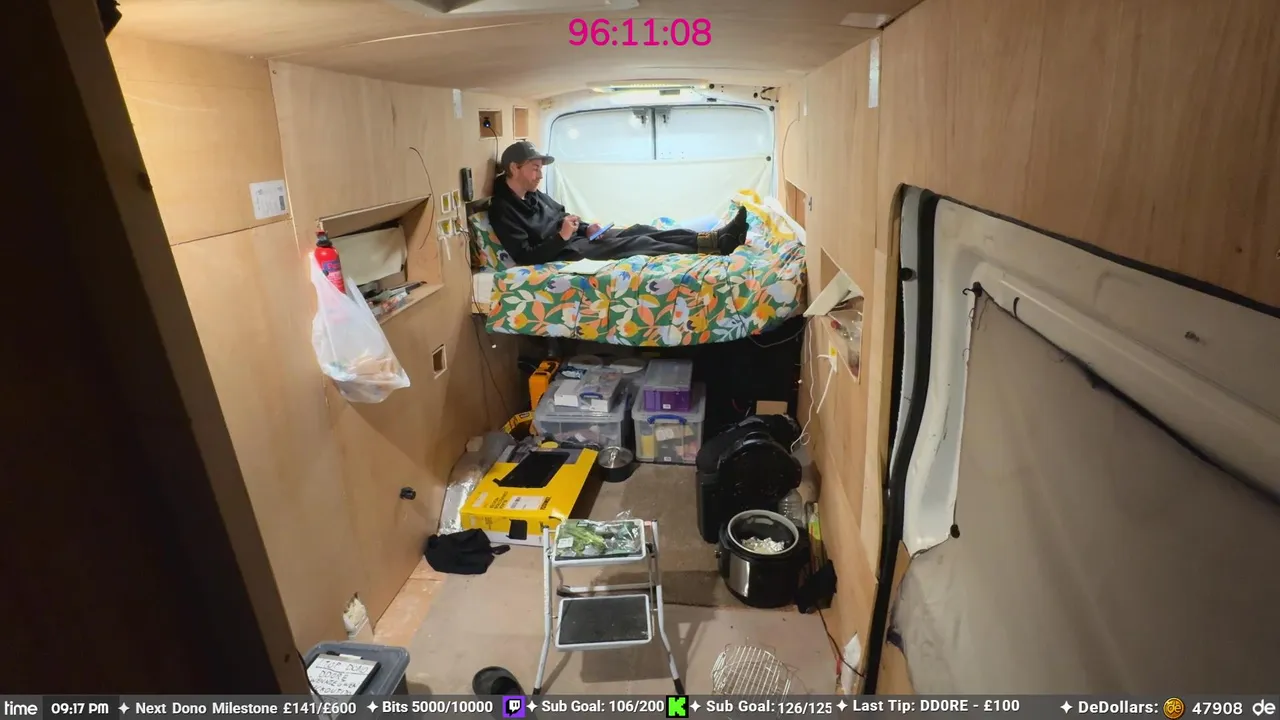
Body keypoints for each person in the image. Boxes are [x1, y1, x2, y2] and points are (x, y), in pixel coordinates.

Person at [488, 141, 750, 266]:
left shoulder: (533, 195)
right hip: (565, 253)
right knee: (639, 243)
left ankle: (714, 238)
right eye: (535, 168)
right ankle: (716, 248)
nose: (540, 175)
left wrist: (586, 228)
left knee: (641, 230)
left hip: (576, 240)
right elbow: (525, 256)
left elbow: (563, 216)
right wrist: (562, 237)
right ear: (514, 168)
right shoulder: (502, 210)